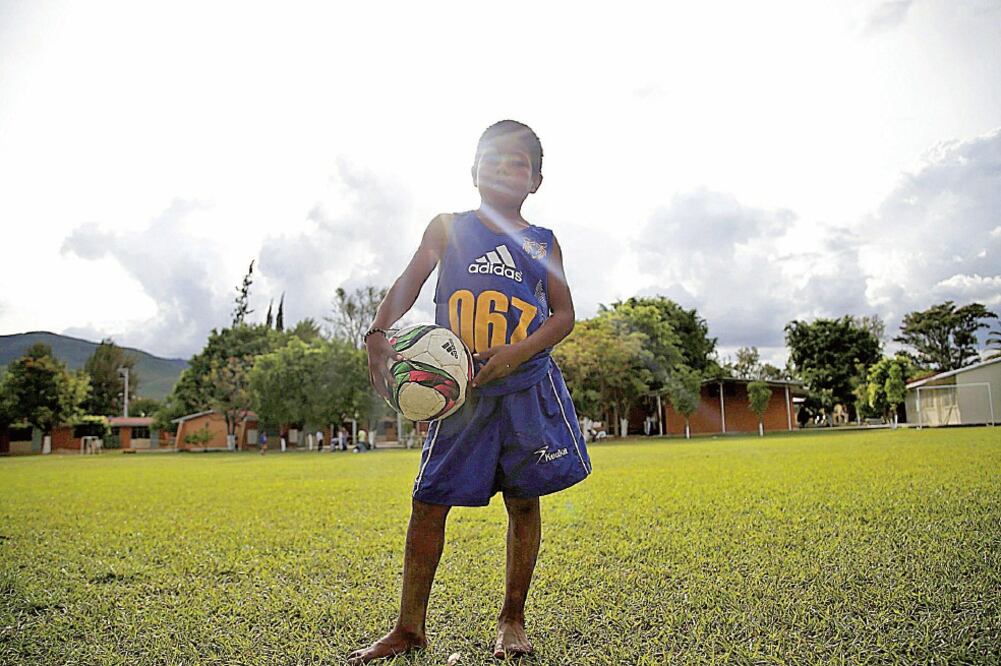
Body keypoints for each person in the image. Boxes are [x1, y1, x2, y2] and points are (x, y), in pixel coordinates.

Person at [348, 120, 591, 664]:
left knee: (523, 501)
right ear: (472, 170)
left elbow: (564, 314)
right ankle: (409, 628)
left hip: (526, 385)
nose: (504, 169)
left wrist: (516, 353)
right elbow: (410, 281)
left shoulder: (542, 241)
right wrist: (378, 333)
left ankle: (512, 619)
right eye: (492, 160)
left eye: (517, 163)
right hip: (461, 395)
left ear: (536, 181)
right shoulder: (448, 228)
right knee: (428, 501)